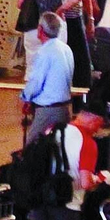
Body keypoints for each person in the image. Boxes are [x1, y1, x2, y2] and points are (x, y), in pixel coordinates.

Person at [22, 12, 75, 141]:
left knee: (32, 148)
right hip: (65, 108)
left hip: (48, 110)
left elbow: (36, 82)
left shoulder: (44, 52)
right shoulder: (66, 49)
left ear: (40, 29)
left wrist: (26, 97)